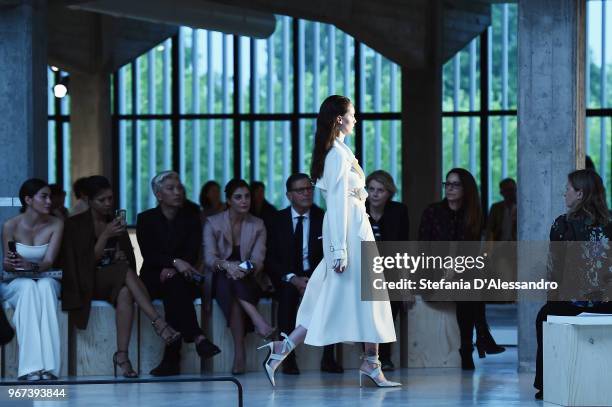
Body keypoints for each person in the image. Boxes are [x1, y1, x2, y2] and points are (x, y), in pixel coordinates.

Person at [257, 95, 399, 387]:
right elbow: (336, 205)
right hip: (348, 235)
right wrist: (339, 250)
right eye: (352, 114)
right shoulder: (335, 155)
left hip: (355, 231)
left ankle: (287, 349)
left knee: (348, 299)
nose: (356, 120)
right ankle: (370, 363)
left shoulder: (340, 151)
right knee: (359, 298)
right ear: (339, 119)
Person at [62, 176, 181, 378]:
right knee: (124, 272)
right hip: (87, 281)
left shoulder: (115, 221)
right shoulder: (75, 224)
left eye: (110, 198)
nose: (108, 203)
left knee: (125, 292)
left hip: (112, 278)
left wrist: (119, 253)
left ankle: (122, 356)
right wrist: (106, 236)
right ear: (89, 201)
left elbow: (130, 259)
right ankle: (159, 323)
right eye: (102, 200)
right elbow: (84, 264)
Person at [533, 169, 612, 400]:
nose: (563, 193)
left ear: (580, 194)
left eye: (567, 189)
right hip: (608, 305)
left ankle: (546, 383)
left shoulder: (563, 225)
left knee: (544, 316)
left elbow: (554, 273)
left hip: (572, 305)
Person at [418, 168, 504, 370]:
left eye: (455, 184)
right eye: (447, 184)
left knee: (471, 280)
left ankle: (469, 346)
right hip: (434, 274)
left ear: (466, 189)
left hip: (462, 275)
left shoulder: (472, 215)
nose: (450, 188)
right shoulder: (432, 212)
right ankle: (478, 339)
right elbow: (423, 249)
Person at [137, 171, 221, 376]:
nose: (177, 192)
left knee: (175, 285)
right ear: (158, 194)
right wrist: (173, 262)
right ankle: (198, 337)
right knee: (174, 286)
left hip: (183, 277)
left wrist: (174, 267)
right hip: (153, 277)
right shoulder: (145, 219)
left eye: (179, 188)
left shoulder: (191, 219)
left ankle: (172, 357)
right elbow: (149, 254)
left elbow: (191, 254)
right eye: (170, 189)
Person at [265, 173, 343, 375]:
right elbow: (270, 259)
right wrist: (292, 278)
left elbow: (331, 252)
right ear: (289, 195)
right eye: (301, 190)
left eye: (309, 189)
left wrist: (316, 279)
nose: (307, 193)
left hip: (318, 275)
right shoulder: (276, 220)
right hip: (287, 277)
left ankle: (328, 358)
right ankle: (288, 359)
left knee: (330, 296)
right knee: (287, 295)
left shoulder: (323, 217)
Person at [204, 178, 276, 375]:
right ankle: (258, 321)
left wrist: (241, 268)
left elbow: (258, 260)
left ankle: (239, 355)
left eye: (246, 197)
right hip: (219, 275)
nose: (244, 201)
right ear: (228, 201)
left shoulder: (258, 224)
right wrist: (228, 265)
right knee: (228, 280)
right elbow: (210, 258)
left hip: (250, 277)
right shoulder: (213, 223)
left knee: (235, 282)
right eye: (238, 197)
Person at [1, 179, 63, 381]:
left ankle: (50, 368)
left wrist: (31, 266)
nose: (49, 201)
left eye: (49, 197)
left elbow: (48, 261)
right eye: (43, 196)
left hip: (45, 277)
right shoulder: (10, 225)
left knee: (45, 287)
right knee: (28, 287)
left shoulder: (56, 224)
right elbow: (6, 265)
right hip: (17, 282)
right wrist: (13, 263)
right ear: (28, 200)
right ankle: (30, 368)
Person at [365, 170, 410, 371]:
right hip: (362, 270)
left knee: (392, 302)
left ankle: (384, 356)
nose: (374, 194)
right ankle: (368, 355)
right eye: (371, 189)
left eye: (380, 190)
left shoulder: (398, 211)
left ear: (389, 193)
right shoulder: (358, 210)